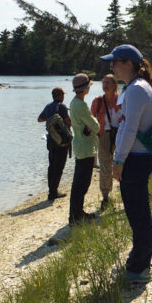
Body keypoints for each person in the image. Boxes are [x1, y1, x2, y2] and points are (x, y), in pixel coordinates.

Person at [101, 44, 152, 284]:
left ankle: (139, 267)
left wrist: (118, 160)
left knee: (139, 215)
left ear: (128, 63)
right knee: (137, 214)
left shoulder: (137, 90)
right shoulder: (135, 87)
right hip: (137, 158)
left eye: (114, 63)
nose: (111, 68)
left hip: (135, 159)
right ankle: (139, 260)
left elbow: (129, 128)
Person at [69, 73, 100, 225]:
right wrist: (94, 123)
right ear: (86, 88)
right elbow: (96, 126)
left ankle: (77, 213)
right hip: (85, 147)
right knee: (82, 183)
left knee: (79, 182)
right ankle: (75, 217)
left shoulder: (74, 102)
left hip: (81, 145)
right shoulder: (81, 105)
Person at [90, 74, 121, 210]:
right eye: (104, 82)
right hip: (104, 135)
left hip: (120, 134)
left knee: (123, 162)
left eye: (108, 82)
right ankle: (105, 196)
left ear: (115, 85)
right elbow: (91, 119)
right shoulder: (98, 101)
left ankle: (125, 190)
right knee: (105, 165)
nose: (105, 85)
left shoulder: (121, 99)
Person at [37, 87, 71, 200]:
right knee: (59, 166)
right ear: (60, 95)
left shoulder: (48, 106)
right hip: (62, 141)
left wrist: (50, 120)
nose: (64, 97)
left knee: (52, 166)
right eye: (63, 95)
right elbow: (68, 122)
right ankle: (53, 193)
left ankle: (51, 190)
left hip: (51, 140)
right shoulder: (62, 106)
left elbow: (39, 119)